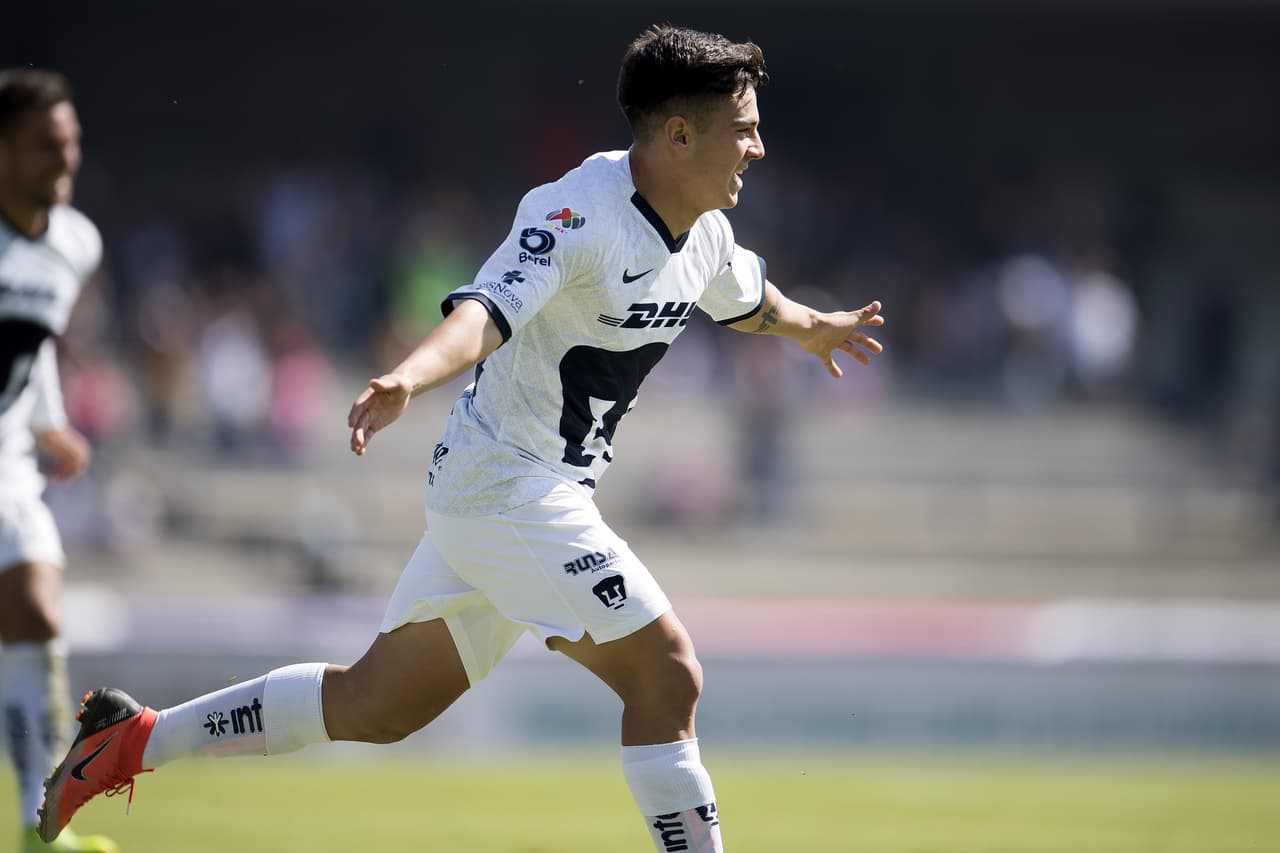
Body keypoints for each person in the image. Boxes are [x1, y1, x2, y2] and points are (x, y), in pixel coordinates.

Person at [38, 25, 885, 852]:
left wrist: (813, 329)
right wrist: (410, 375)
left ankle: (129, 739)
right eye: (744, 130)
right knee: (668, 673)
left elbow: (752, 301)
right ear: (676, 133)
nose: (758, 149)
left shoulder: (703, 234)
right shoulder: (575, 214)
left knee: (376, 705)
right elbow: (486, 309)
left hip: (522, 493)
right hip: (508, 485)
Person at [0, 70, 120, 853]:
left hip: (7, 456)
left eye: (71, 140)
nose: (65, 158)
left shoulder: (75, 242)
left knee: (39, 608)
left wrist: (49, 421)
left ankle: (43, 819)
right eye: (47, 144)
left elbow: (29, 340)